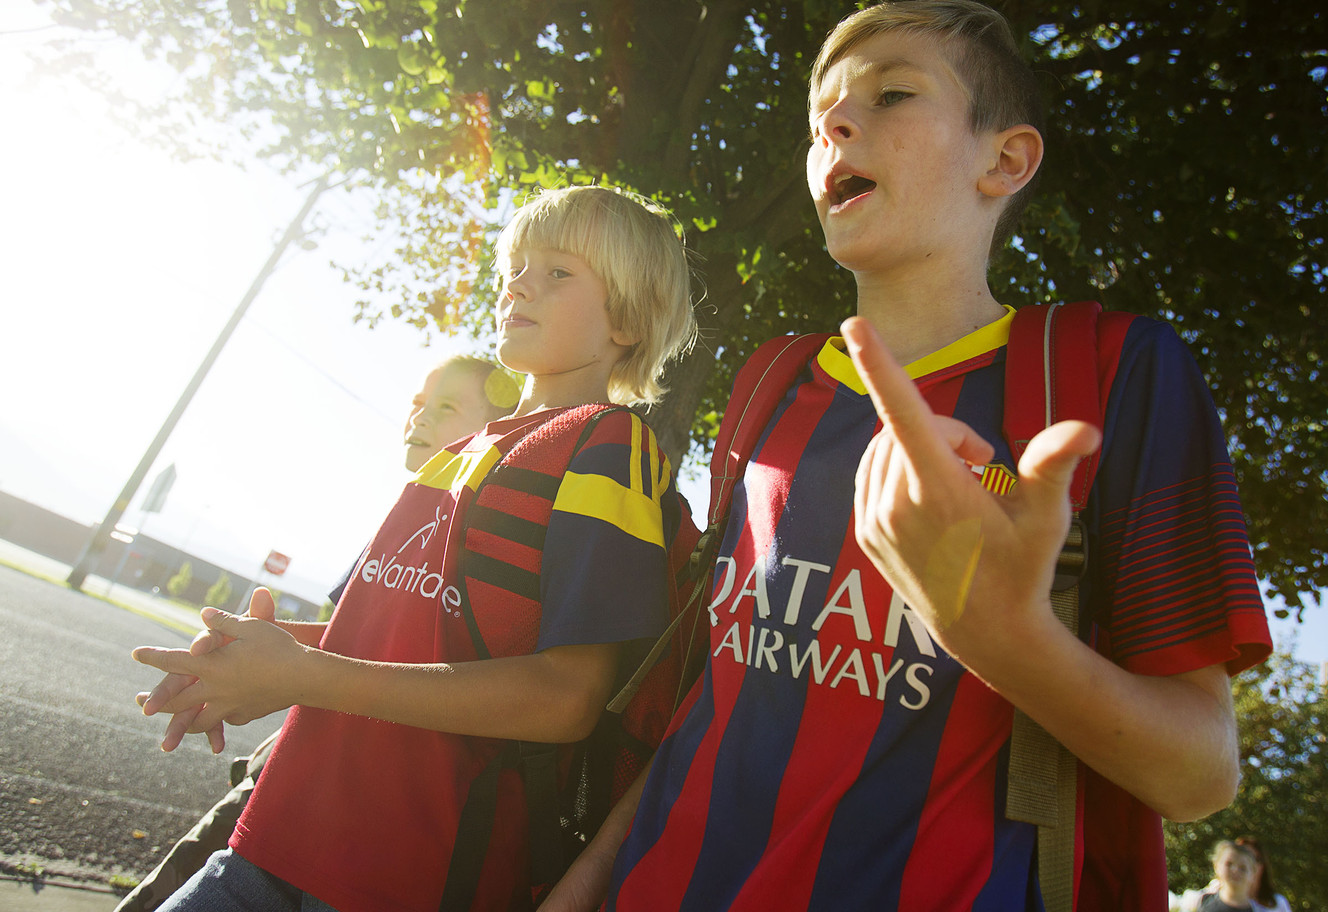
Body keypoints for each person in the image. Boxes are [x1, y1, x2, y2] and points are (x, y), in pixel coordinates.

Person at [546, 3, 1272, 910]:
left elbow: (1200, 774)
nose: (836, 128)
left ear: (1005, 159)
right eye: (820, 120)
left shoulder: (1115, 373)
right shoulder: (768, 381)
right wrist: (581, 885)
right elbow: (710, 697)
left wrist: (1004, 637)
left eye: (892, 93)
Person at [130, 184, 698, 912]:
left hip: (401, 880)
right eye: (516, 265)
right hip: (272, 837)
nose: (519, 282)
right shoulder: (457, 451)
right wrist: (251, 659)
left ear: (627, 318)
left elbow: (567, 697)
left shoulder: (607, 444)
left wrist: (303, 671)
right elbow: (379, 639)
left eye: (558, 272)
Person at [116, 354, 519, 912]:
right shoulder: (406, 511)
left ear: (496, 430)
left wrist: (287, 667)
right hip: (291, 796)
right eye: (419, 403)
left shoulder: (490, 527)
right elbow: (349, 634)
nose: (420, 418)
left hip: (378, 836)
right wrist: (243, 652)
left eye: (446, 407)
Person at [1180, 838, 1293, 912]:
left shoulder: (1277, 903)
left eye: (1243, 867)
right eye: (1229, 864)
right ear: (1216, 866)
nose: (1235, 870)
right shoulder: (1205, 900)